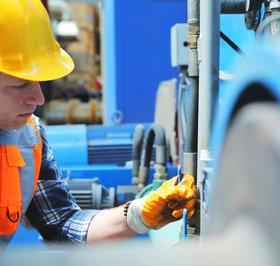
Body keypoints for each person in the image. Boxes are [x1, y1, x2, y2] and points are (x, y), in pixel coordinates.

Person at [0, 0, 196, 249]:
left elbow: (62, 224)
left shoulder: (28, 137)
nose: (39, 99)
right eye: (19, 85)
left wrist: (138, 214)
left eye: (38, 82)